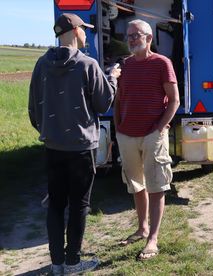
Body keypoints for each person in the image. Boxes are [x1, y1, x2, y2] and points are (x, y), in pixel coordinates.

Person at [28, 13, 121, 275]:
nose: (85, 35)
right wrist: (112, 77)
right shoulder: (87, 64)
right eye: (84, 30)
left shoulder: (41, 64)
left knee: (56, 204)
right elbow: (104, 104)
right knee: (79, 205)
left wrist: (50, 131)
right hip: (81, 148)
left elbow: (33, 109)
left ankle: (57, 263)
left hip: (52, 147)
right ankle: (73, 263)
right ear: (75, 31)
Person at [114, 19, 180, 260]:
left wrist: (159, 128)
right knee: (136, 185)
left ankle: (153, 238)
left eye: (136, 35)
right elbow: (119, 100)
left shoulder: (162, 63)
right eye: (128, 35)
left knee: (156, 185)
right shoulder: (125, 66)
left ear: (149, 38)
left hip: (153, 134)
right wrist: (118, 128)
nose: (131, 39)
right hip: (127, 135)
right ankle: (142, 228)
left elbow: (174, 100)